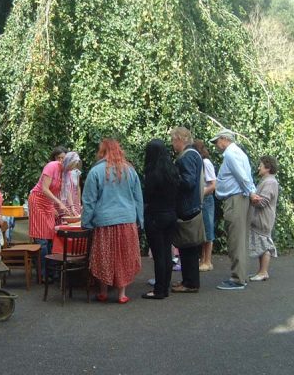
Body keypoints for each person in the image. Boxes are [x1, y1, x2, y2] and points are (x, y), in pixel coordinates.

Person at [81, 138, 143, 304]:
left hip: (104, 221)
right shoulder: (130, 171)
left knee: (105, 256)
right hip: (127, 220)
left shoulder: (95, 172)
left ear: (102, 152)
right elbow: (138, 198)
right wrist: (139, 219)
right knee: (124, 255)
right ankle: (122, 293)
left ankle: (103, 292)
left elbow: (88, 200)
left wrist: (86, 222)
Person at [210, 129, 259, 290]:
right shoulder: (239, 153)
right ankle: (241, 275)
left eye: (217, 141)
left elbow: (242, 176)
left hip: (235, 199)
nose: (216, 145)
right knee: (241, 238)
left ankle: (237, 278)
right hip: (240, 197)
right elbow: (246, 176)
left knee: (235, 239)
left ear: (225, 139)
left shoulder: (231, 155)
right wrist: (251, 191)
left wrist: (251, 192)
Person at [141, 139, 179, 300]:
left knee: (159, 255)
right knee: (167, 252)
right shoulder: (173, 170)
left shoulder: (152, 174)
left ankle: (158, 290)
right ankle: (165, 287)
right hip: (171, 214)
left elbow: (147, 196)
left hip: (155, 215)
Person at [28, 146, 70, 282]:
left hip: (48, 203)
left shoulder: (66, 172)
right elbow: (45, 189)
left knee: (53, 236)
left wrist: (71, 208)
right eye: (60, 158)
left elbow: (66, 191)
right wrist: (58, 203)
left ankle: (53, 271)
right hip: (38, 201)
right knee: (42, 240)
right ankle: (43, 274)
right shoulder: (51, 166)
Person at [169, 127, 203, 293]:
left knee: (187, 247)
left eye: (173, 140)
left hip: (186, 207)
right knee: (190, 248)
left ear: (180, 139)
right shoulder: (195, 154)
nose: (172, 143)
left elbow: (188, 182)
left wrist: (173, 176)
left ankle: (190, 283)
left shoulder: (186, 157)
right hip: (194, 205)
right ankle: (189, 280)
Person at [249, 156, 280, 281]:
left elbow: (263, 202)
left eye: (260, 165)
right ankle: (261, 271)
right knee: (262, 243)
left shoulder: (270, 182)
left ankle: (263, 272)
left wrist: (252, 198)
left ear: (267, 168)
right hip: (262, 217)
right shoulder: (266, 180)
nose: (258, 168)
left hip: (264, 217)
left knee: (265, 243)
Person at [193, 139, 217, 272]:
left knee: (208, 230)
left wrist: (200, 194)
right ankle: (203, 259)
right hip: (201, 200)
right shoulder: (199, 163)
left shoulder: (206, 163)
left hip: (206, 200)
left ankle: (208, 260)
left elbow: (213, 185)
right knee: (202, 230)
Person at [59, 151, 83, 219]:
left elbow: (77, 187)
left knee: (75, 216)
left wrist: (78, 202)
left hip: (74, 199)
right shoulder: (64, 172)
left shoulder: (76, 172)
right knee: (65, 217)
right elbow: (66, 189)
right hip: (65, 199)